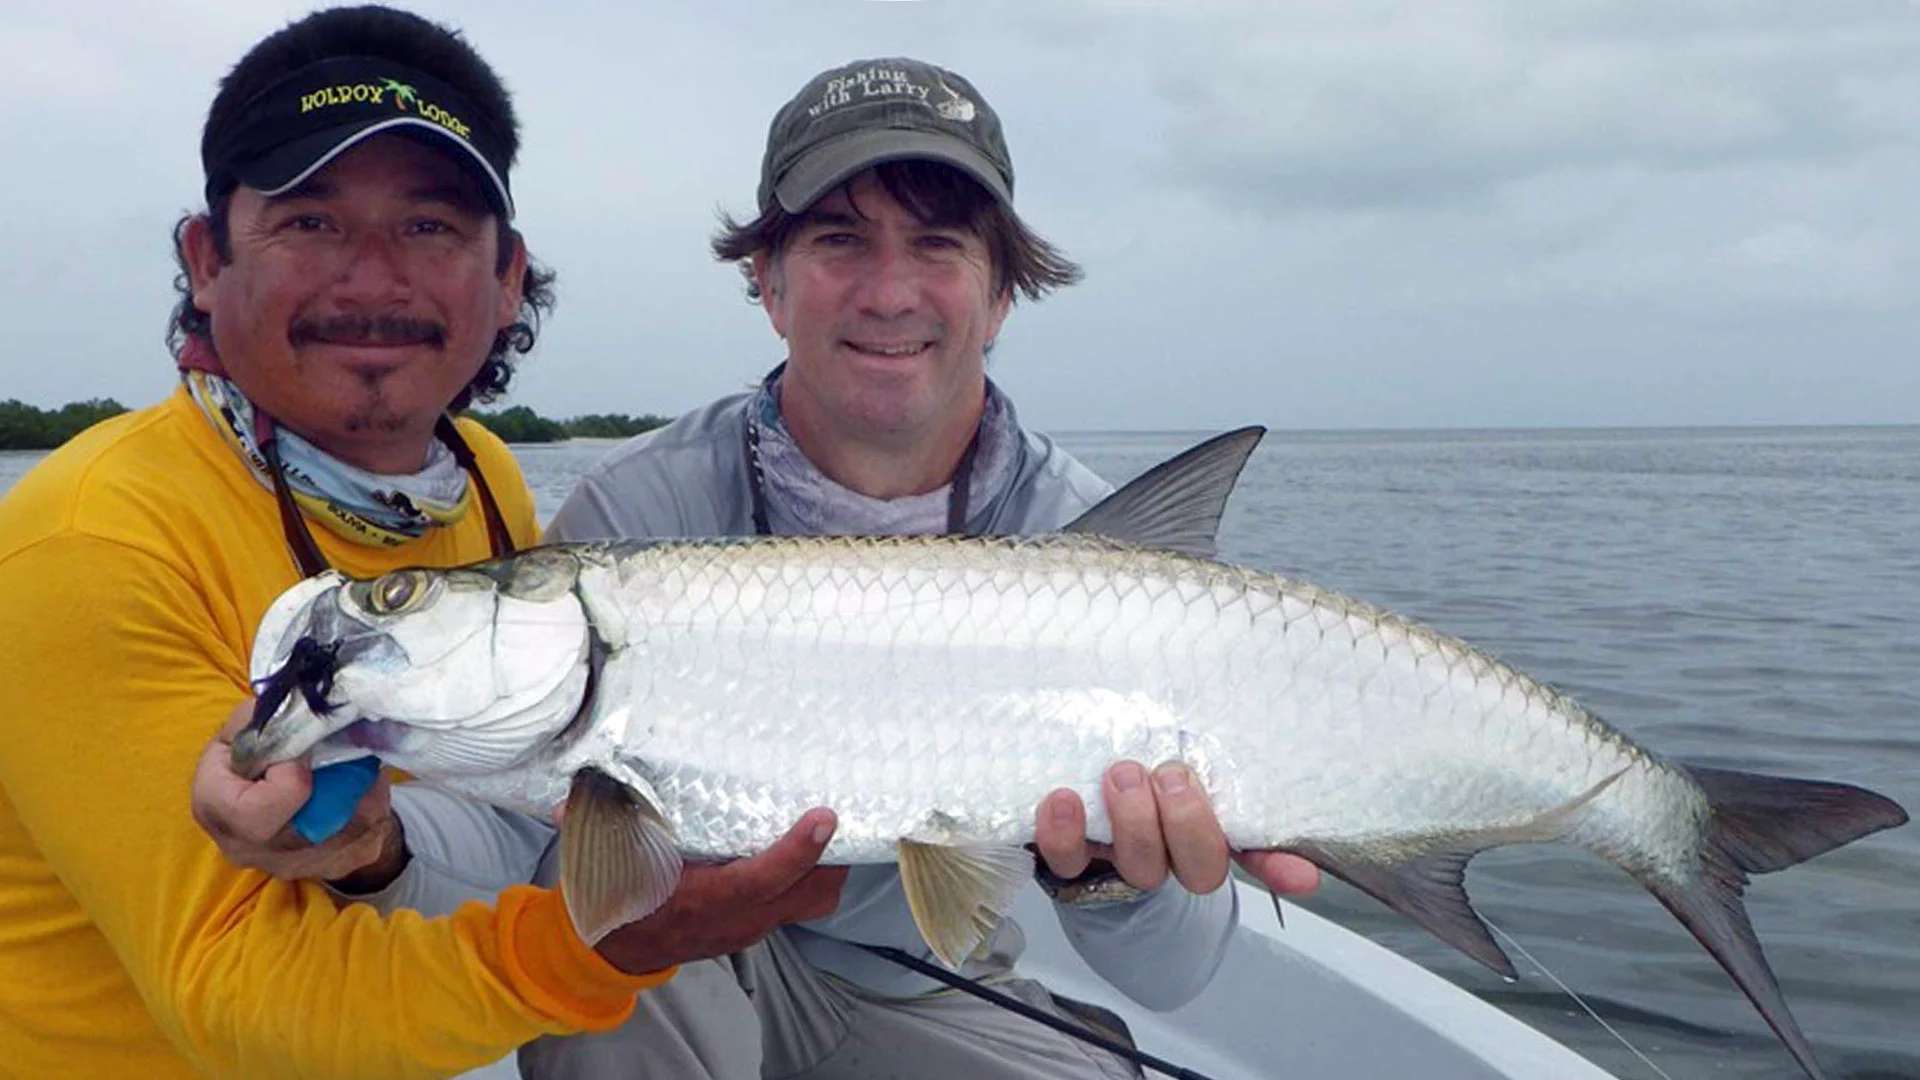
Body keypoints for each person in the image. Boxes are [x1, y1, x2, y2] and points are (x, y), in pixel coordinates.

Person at [366, 57, 1323, 1079]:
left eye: (939, 244)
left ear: (1002, 293)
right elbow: (516, 844)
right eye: (839, 240)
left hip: (922, 984)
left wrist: (1112, 880)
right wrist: (367, 842)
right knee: (615, 960)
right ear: (768, 284)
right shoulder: (638, 517)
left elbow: (1176, 975)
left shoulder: (1088, 540)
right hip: (675, 966)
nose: (890, 292)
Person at [0, 7, 844, 1077]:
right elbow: (240, 993)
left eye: (430, 226)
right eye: (311, 221)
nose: (371, 280)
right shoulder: (89, 544)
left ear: (507, 277)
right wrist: (613, 947)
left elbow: (490, 814)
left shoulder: (481, 476)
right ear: (207, 259)